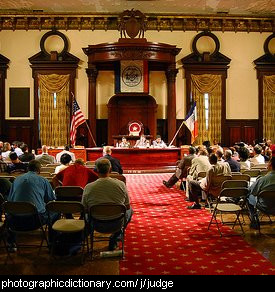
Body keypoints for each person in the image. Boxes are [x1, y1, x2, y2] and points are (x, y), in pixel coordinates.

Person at [82, 158, 133, 251]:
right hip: (117, 223)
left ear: (96, 170)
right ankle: (116, 237)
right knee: (130, 210)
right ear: (110, 169)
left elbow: (84, 208)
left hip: (96, 224)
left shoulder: (88, 187)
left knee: (86, 214)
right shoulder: (121, 184)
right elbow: (127, 206)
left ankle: (84, 236)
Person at [6, 160, 57, 251]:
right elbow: (50, 200)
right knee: (56, 212)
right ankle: (52, 243)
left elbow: (10, 199)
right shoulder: (43, 180)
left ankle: (11, 243)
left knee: (11, 212)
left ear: (27, 168)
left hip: (14, 221)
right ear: (39, 170)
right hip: (35, 220)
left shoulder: (16, 179)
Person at [247, 157, 275, 228]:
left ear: (270, 165)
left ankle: (254, 221)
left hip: (265, 206)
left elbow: (252, 191)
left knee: (248, 197)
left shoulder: (263, 180)